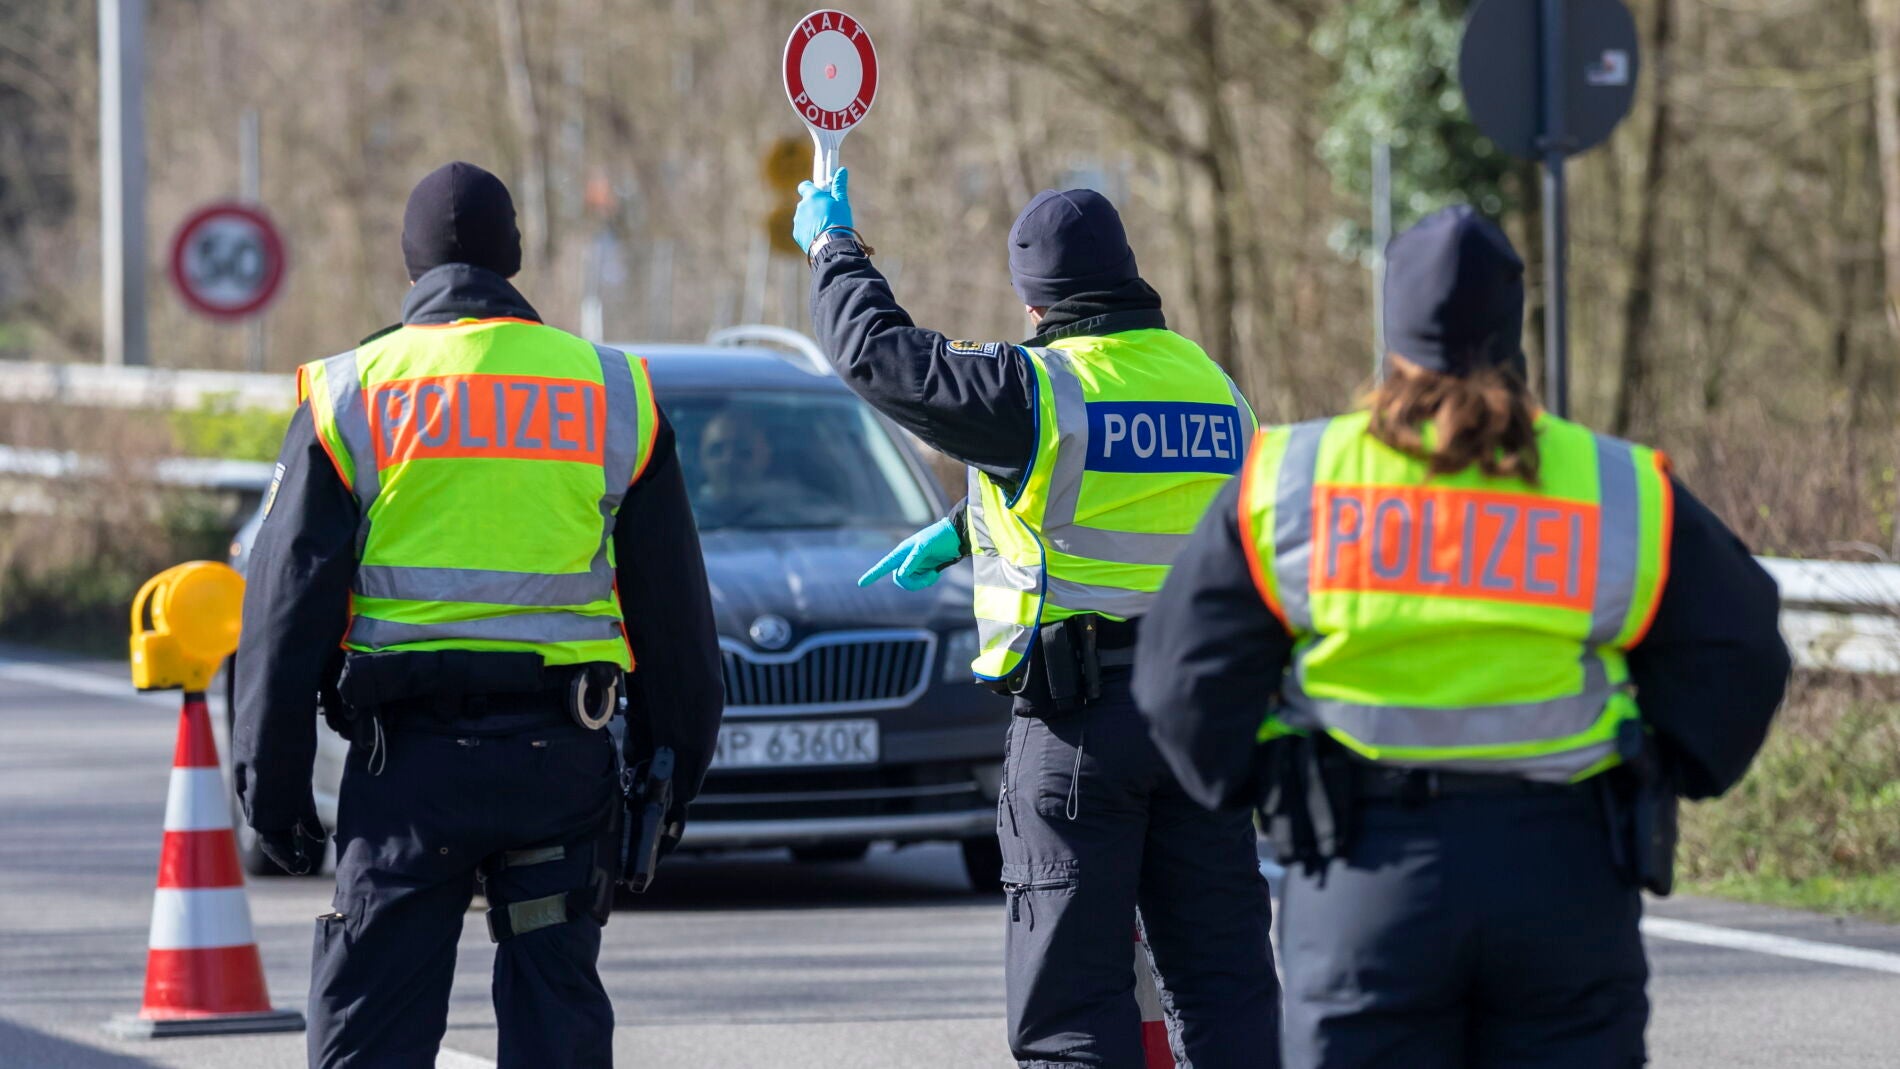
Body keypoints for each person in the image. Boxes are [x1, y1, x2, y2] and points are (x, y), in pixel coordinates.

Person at [1133, 205, 1791, 1069]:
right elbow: (1742, 651)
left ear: (1393, 331)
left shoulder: (1292, 479)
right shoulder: (1617, 485)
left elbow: (1180, 674)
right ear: (1513, 330)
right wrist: (1659, 766)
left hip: (1360, 872)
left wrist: (1266, 780)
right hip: (1565, 873)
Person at [233, 161, 724, 1069]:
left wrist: (275, 790)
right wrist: (667, 774)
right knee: (555, 1025)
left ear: (409, 265)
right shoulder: (612, 390)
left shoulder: (354, 392)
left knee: (372, 1029)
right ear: (516, 257)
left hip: (407, 775)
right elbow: (675, 615)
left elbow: (285, 607)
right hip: (558, 764)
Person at [795, 171, 1280, 1068]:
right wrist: (965, 528)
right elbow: (1151, 496)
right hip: (1204, 725)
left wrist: (836, 253)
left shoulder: (1037, 388)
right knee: (1227, 994)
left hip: (1081, 729)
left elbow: (882, 356)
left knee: (1074, 1012)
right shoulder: (1218, 391)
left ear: (1034, 301)